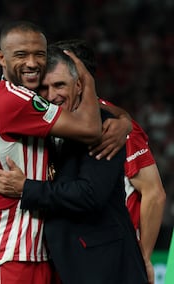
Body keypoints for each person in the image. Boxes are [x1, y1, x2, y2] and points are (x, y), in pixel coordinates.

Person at [0, 44, 149, 283]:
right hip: (63, 265)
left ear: (79, 85)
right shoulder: (41, 127)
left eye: (59, 85)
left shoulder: (105, 127)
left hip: (106, 267)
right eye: (43, 88)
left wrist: (26, 188)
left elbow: (90, 194)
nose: (51, 95)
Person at [0, 21, 102, 284]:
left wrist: (123, 120)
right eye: (21, 55)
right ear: (1, 58)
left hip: (28, 253)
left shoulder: (19, 98)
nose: (32, 63)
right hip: (4, 255)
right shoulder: (14, 100)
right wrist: (85, 76)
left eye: (39, 54)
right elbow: (91, 129)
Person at [54, 39, 166, 284]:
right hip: (72, 255)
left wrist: (144, 257)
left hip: (112, 256)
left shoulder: (116, 127)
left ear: (80, 79)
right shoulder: (56, 121)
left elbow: (154, 193)